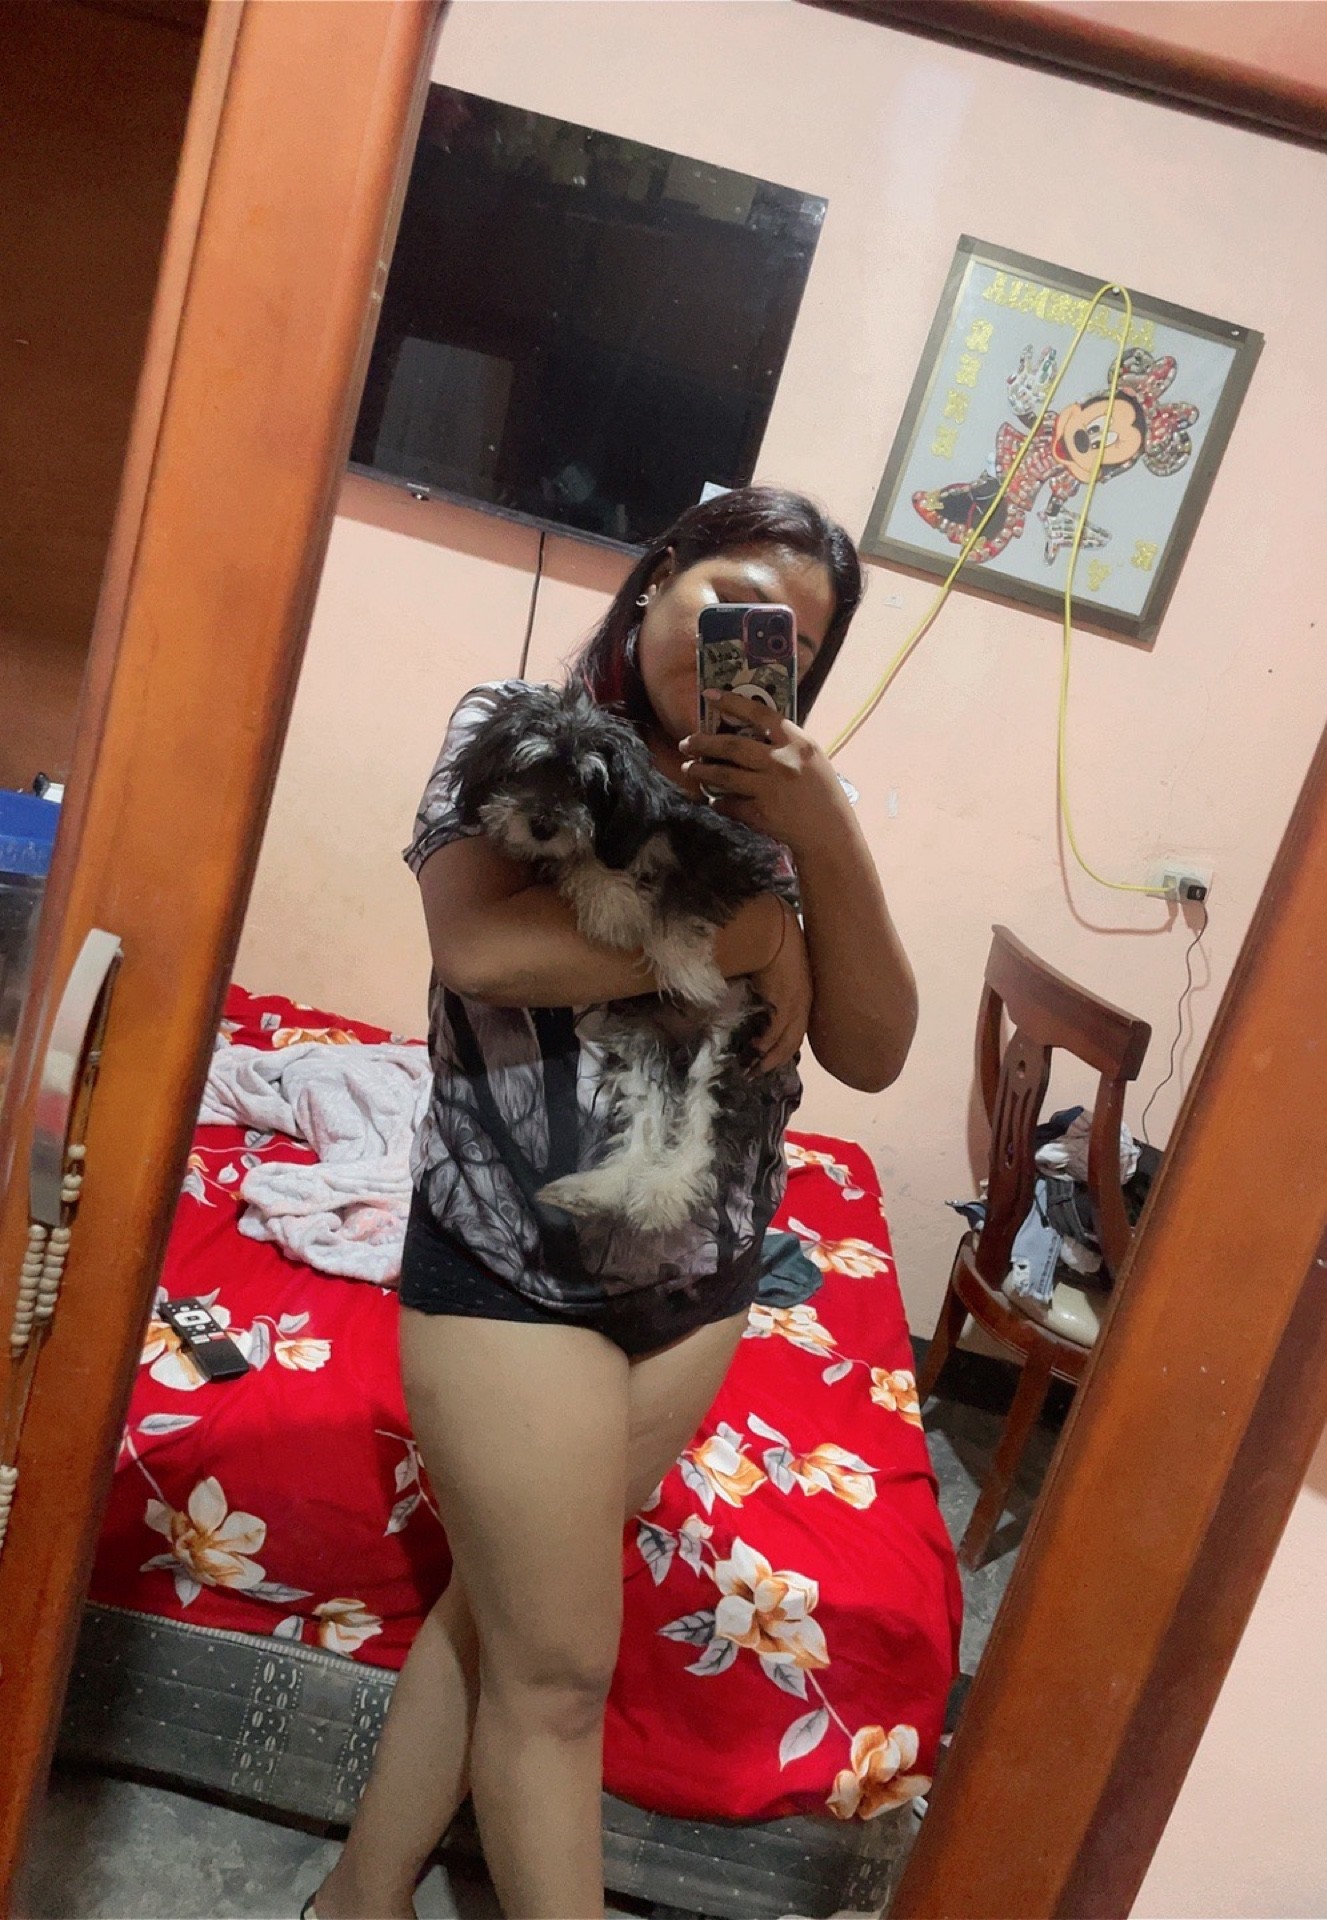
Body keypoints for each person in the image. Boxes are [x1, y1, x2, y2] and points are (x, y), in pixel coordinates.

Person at [307, 487, 917, 1920]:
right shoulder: (521, 732)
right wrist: (740, 936)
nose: (750, 645)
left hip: (701, 1278)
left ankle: (354, 1903)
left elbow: (875, 1049)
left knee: (506, 1618)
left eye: (793, 642)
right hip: (512, 1265)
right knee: (565, 1674)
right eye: (728, 599)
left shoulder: (779, 809)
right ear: (656, 581)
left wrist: (823, 830)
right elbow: (483, 951)